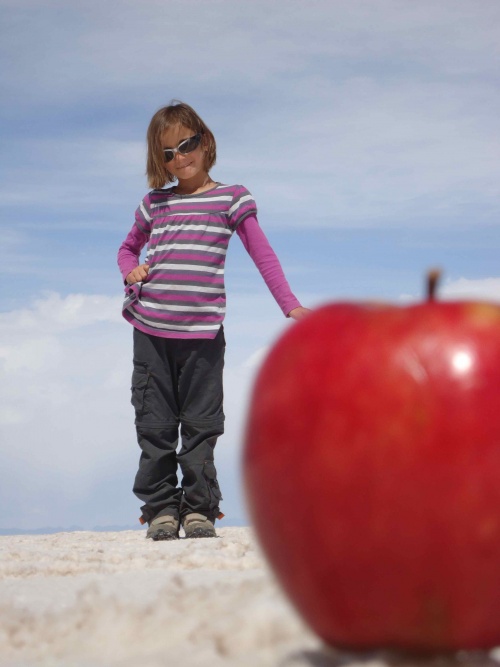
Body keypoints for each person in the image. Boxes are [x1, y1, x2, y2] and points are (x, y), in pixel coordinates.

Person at [117, 101, 309, 541]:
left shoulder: (232, 198)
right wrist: (130, 269)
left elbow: (262, 254)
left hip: (203, 334)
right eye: (167, 153)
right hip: (150, 329)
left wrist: (289, 304)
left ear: (205, 141)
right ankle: (161, 509)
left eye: (187, 145)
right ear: (158, 160)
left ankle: (200, 508)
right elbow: (127, 249)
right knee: (154, 423)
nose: (179, 158)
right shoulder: (154, 204)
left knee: (202, 424)